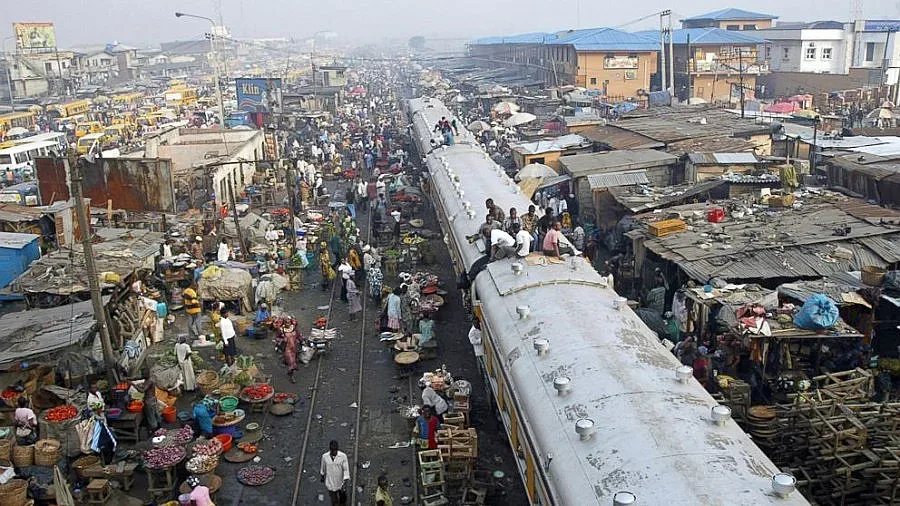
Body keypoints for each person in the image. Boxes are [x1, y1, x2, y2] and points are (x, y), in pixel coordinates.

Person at [320, 440, 350, 506]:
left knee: (342, 498)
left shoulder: (343, 456)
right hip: (330, 482)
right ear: (330, 450)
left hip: (340, 482)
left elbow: (346, 469)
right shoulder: (325, 457)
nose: (334, 452)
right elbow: (323, 467)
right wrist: (322, 475)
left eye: (335, 450)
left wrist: (345, 481)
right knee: (334, 499)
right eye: (333, 450)